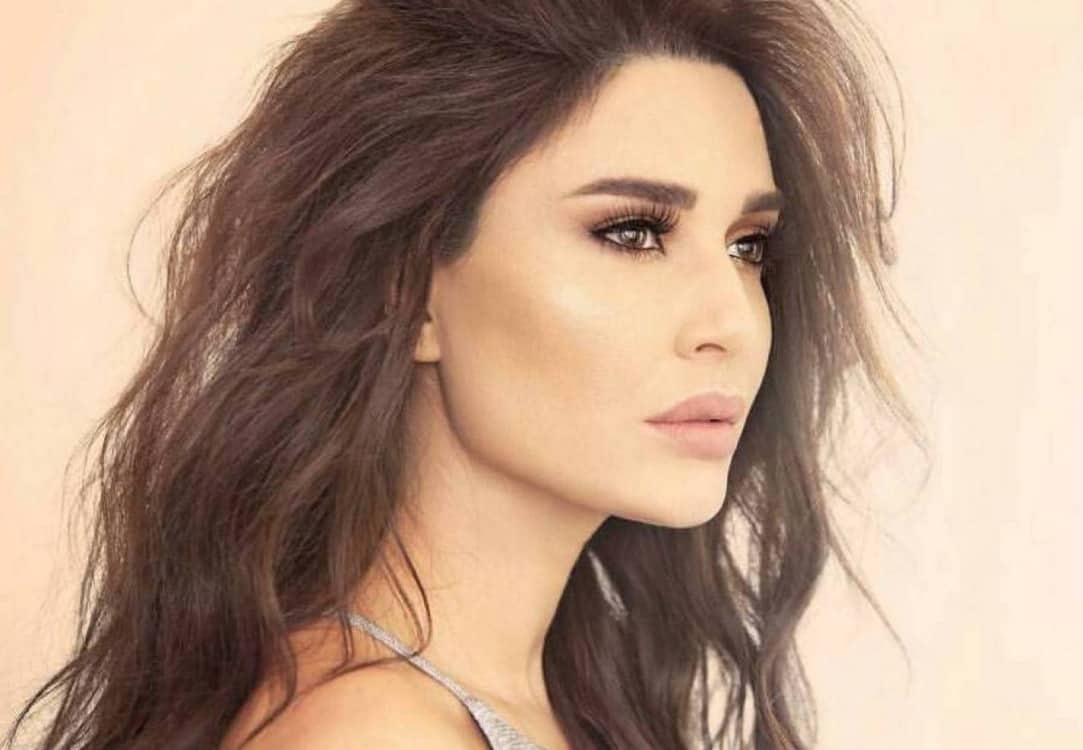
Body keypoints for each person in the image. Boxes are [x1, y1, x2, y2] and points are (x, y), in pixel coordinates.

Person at [4, 0, 924, 748]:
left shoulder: (555, 696)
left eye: (748, 246)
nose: (732, 322)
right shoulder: (371, 735)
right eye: (633, 232)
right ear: (406, 291)